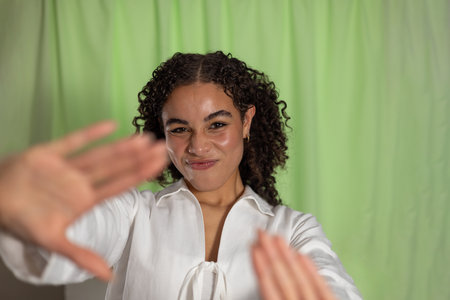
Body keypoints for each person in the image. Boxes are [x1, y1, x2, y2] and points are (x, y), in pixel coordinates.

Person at [0, 52, 361, 299]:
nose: (198, 147)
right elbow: (83, 232)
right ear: (163, 132)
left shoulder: (293, 231)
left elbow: (332, 286)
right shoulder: (134, 213)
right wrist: (38, 213)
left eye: (217, 124)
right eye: (179, 129)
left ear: (247, 122)